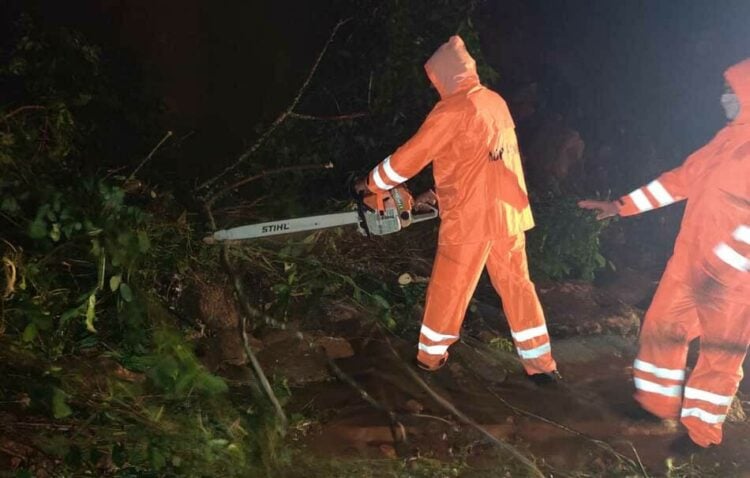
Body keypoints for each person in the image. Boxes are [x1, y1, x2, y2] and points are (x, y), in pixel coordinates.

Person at [354, 36, 559, 381]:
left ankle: (429, 358)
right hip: (507, 213)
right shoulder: (495, 102)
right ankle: (542, 366)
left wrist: (371, 185)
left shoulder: (453, 109)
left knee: (450, 287)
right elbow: (482, 159)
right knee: (517, 286)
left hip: (471, 217)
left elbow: (408, 159)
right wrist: (435, 192)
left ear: (444, 76)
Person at [579, 58, 750, 448]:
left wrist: (729, 263)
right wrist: (620, 206)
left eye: (731, 90)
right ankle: (655, 406)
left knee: (721, 354)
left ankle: (701, 434)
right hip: (688, 265)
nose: (724, 97)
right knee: (660, 328)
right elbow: (676, 182)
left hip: (732, 280)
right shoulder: (726, 141)